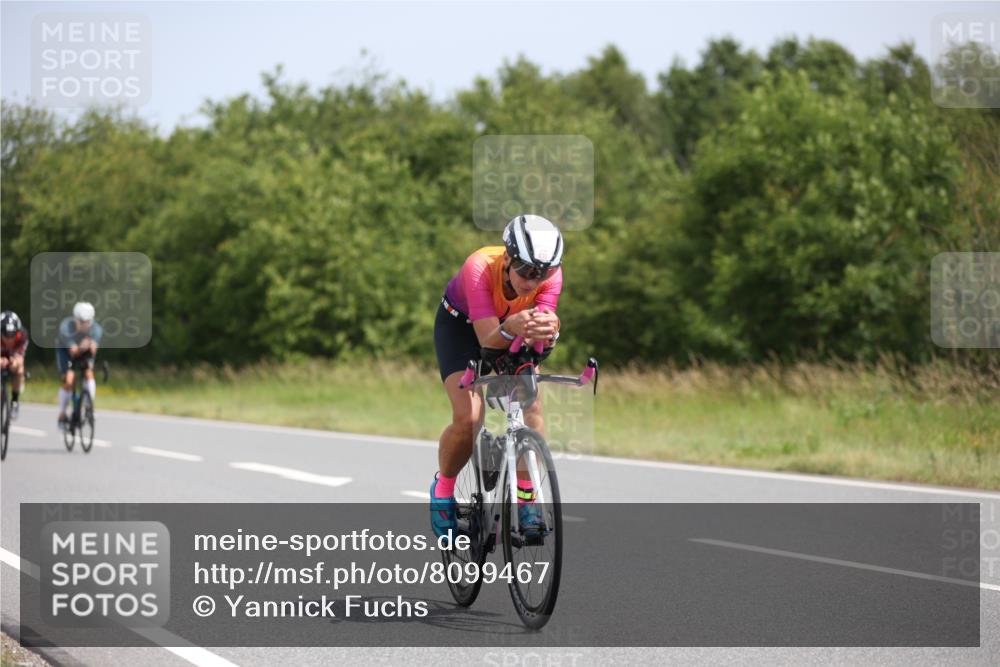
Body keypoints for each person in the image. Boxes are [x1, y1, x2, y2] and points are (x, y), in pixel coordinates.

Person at [431, 214, 563, 539]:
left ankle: (526, 496)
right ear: (507, 258)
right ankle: (443, 490)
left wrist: (551, 331)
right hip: (463, 329)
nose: (533, 281)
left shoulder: (551, 276)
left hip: (512, 327)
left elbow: (541, 336)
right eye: (526, 270)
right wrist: (511, 327)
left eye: (543, 273)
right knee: (469, 416)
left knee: (531, 405)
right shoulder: (478, 267)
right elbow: (488, 344)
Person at [56, 302, 104, 430]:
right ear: (75, 319)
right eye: (82, 322)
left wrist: (89, 346)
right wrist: (83, 345)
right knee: (69, 380)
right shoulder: (66, 327)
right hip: (66, 353)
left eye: (88, 322)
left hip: (84, 353)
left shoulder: (96, 329)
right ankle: (62, 414)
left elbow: (93, 350)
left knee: (89, 373)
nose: (85, 325)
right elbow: (73, 351)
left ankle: (89, 407)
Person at [1, 311, 29, 420]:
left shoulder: (23, 336)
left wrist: (14, 362)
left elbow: (20, 359)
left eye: (12, 336)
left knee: (19, 369)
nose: (9, 340)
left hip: (14, 356)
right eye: (5, 336)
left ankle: (15, 401)